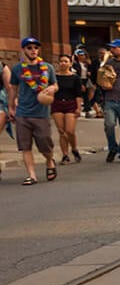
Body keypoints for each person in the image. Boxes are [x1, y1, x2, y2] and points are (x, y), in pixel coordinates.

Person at [8, 37, 59, 185]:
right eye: (29, 48)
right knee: (25, 146)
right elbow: (13, 89)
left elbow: (55, 85)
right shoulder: (18, 69)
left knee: (44, 143)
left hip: (41, 113)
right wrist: (11, 107)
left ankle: (49, 161)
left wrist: (51, 88)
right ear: (24, 50)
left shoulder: (47, 67)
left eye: (35, 48)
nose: (33, 50)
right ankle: (31, 175)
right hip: (23, 112)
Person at [51, 54, 85, 163]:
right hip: (57, 104)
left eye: (66, 61)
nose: (63, 63)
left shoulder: (75, 78)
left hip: (71, 104)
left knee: (69, 131)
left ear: (70, 63)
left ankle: (74, 149)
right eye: (61, 61)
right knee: (61, 131)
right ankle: (65, 155)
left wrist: (78, 108)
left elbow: (78, 94)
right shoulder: (54, 77)